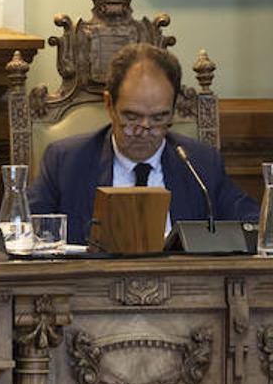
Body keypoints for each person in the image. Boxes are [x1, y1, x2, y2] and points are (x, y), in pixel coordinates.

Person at [28, 42, 257, 245]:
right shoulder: (66, 161)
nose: (143, 131)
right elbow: (24, 231)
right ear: (109, 104)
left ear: (173, 110)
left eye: (158, 119)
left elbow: (255, 226)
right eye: (132, 117)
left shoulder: (200, 163)